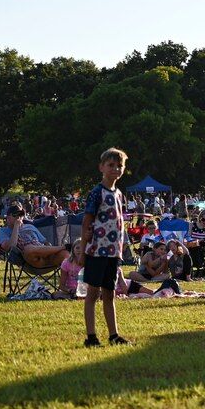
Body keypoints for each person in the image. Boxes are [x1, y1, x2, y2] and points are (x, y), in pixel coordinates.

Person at [77, 147, 131, 347]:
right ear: (101, 167)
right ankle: (91, 336)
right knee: (92, 293)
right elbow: (86, 223)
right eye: (111, 165)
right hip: (97, 250)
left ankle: (114, 335)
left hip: (112, 252)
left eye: (119, 166)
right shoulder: (97, 192)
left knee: (110, 293)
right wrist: (82, 251)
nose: (116, 169)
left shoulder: (118, 193)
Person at [0, 203, 70, 269]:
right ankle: (64, 247)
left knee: (65, 254)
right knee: (28, 249)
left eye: (20, 214)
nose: (18, 217)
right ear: (8, 218)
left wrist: (48, 246)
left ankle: (69, 281)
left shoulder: (30, 226)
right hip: (31, 260)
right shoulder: (3, 231)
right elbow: (10, 247)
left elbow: (45, 242)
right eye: (15, 215)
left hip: (46, 256)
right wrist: (16, 226)